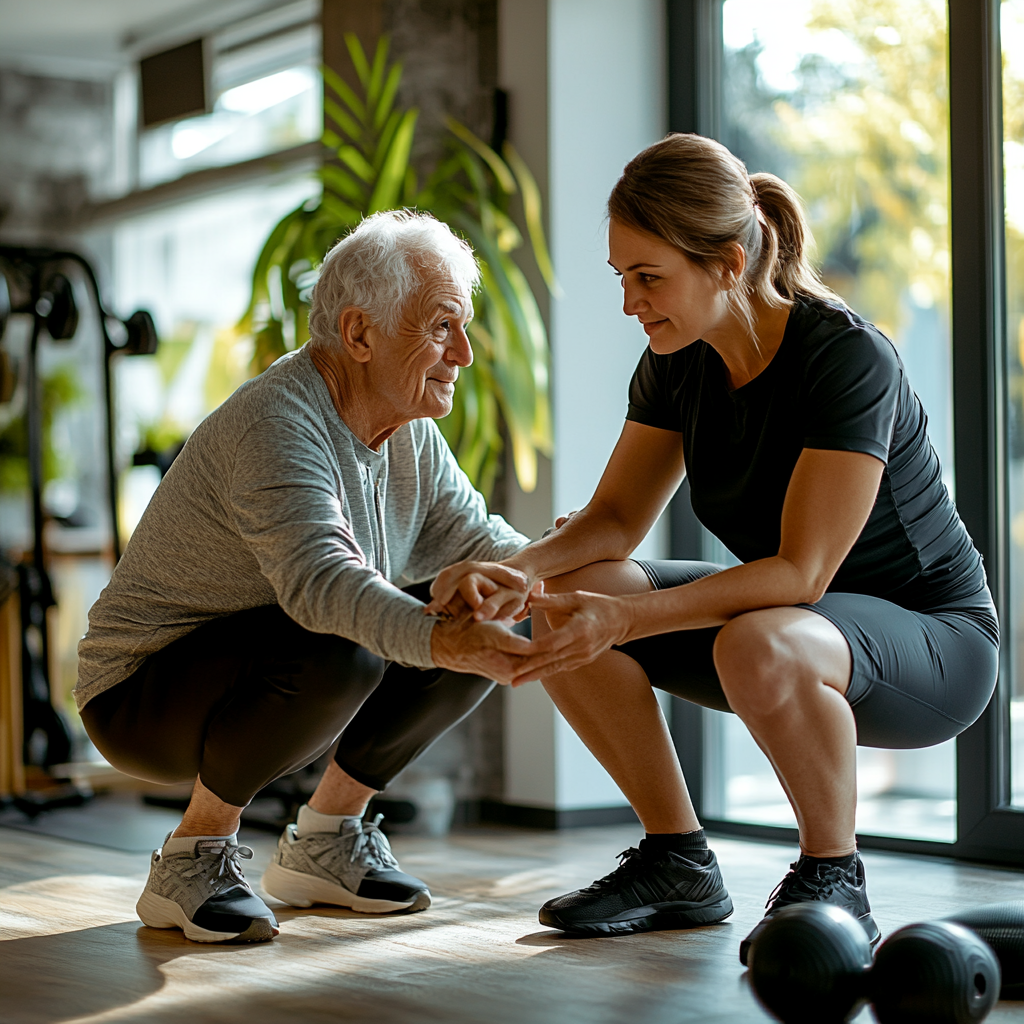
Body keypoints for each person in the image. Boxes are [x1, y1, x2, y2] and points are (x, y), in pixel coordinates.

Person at [427, 134, 999, 962]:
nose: (630, 302)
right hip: (791, 621)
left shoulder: (846, 357)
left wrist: (623, 619)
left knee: (756, 634)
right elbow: (614, 519)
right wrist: (508, 569)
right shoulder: (676, 361)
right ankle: (677, 863)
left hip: (931, 642)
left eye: (649, 277)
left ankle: (833, 876)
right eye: (622, 276)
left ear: (729, 263)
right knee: (569, 591)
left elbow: (802, 575)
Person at [74, 210, 538, 944]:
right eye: (444, 327)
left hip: (275, 657)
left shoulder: (409, 431)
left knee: (481, 608)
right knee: (346, 635)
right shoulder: (276, 420)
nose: (466, 355)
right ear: (359, 335)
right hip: (140, 692)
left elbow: (489, 546)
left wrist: (566, 580)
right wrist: (443, 644)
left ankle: (325, 842)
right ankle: (191, 861)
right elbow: (322, 583)